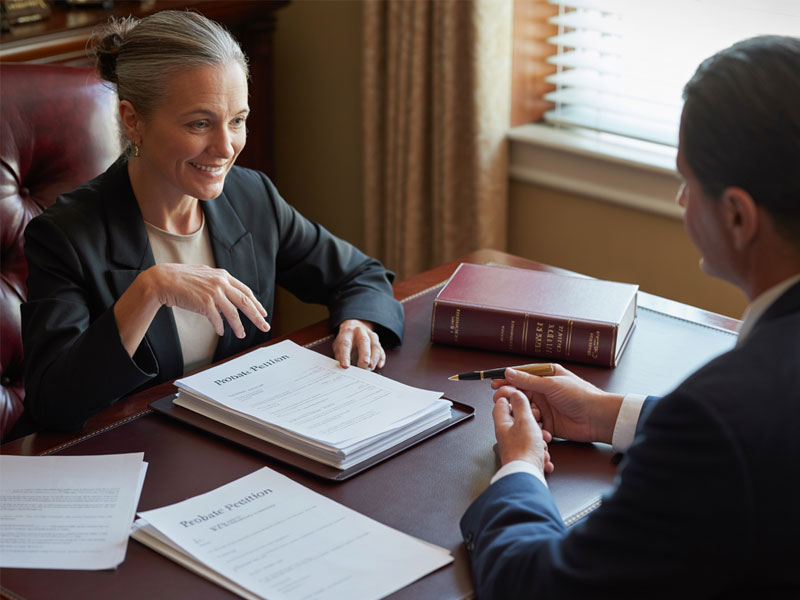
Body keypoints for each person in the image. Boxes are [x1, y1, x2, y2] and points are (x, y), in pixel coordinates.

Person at [460, 35, 800, 598]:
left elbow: (542, 586)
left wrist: (517, 468)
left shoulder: (717, 419)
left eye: (687, 182)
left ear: (739, 216)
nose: (680, 201)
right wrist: (604, 415)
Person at [20, 10, 403, 432]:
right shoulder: (64, 236)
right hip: (128, 463)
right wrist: (149, 289)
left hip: (235, 449)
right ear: (133, 121)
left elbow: (359, 275)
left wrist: (359, 322)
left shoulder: (252, 197)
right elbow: (52, 403)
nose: (226, 147)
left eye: (237, 120)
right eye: (200, 123)